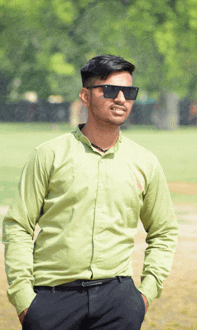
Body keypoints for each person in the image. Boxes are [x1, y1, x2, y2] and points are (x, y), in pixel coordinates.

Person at [3, 55, 179, 330]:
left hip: (118, 302)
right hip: (52, 300)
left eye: (129, 92)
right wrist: (25, 300)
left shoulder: (145, 162)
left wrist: (145, 295)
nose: (121, 98)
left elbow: (164, 231)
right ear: (85, 96)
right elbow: (18, 227)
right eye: (109, 90)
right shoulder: (48, 156)